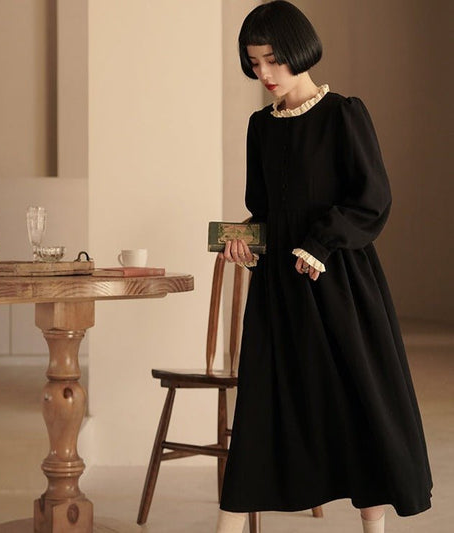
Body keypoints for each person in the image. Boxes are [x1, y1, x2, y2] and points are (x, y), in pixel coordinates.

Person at [216, 2, 433, 532]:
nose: (264, 73)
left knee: (357, 402)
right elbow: (264, 211)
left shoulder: (343, 114)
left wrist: (321, 243)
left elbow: (372, 199)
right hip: (279, 292)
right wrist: (244, 241)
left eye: (273, 60)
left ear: (298, 51)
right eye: (254, 62)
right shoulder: (260, 127)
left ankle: (373, 527)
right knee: (263, 406)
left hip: (340, 284)